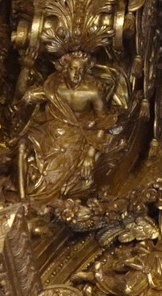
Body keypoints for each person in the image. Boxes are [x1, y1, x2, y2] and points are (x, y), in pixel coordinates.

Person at [18, 51, 118, 202]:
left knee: (51, 175)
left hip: (75, 136)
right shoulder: (53, 87)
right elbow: (24, 96)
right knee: (23, 148)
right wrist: (26, 69)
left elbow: (103, 122)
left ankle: (38, 200)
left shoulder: (92, 92)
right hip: (48, 131)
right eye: (73, 69)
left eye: (81, 70)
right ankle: (22, 196)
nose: (76, 74)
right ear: (65, 70)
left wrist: (90, 155)